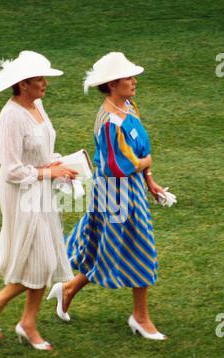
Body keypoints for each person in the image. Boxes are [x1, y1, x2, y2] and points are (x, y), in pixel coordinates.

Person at [47, 52, 167, 340]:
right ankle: (140, 317)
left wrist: (149, 179)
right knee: (141, 248)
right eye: (128, 77)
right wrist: (146, 164)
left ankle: (68, 289)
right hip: (116, 193)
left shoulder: (127, 106)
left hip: (130, 188)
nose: (134, 80)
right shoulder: (110, 121)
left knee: (106, 245)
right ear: (113, 84)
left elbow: (138, 149)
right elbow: (118, 166)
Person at [0, 51, 77, 350]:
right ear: (23, 84)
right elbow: (11, 170)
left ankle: (26, 322)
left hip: (41, 190)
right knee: (39, 261)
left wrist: (62, 165)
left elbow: (43, 151)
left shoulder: (38, 106)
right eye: (39, 80)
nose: (45, 84)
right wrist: (49, 172)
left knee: (45, 260)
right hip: (20, 194)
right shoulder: (10, 117)